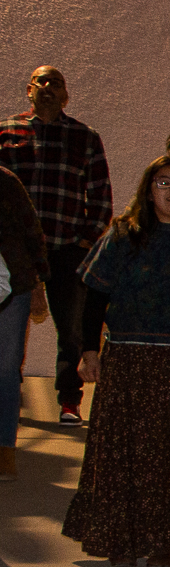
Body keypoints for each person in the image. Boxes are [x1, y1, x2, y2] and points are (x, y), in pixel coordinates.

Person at [59, 156, 170, 564]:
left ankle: (168, 540)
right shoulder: (124, 235)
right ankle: (119, 537)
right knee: (124, 452)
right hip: (129, 362)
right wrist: (89, 350)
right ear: (148, 190)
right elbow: (94, 296)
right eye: (164, 183)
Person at [0, 66, 112, 427]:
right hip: (14, 252)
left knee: (72, 327)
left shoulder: (85, 137)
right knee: (8, 323)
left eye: (56, 83)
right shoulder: (5, 132)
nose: (48, 88)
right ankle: (8, 392)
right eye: (41, 82)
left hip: (67, 248)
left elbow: (100, 197)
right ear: (29, 90)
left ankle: (69, 399)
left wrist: (85, 241)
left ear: (65, 94)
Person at [0, 163, 47, 482]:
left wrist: (39, 286)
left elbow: (32, 232)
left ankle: (4, 450)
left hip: (13, 286)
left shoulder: (5, 182)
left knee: (5, 369)